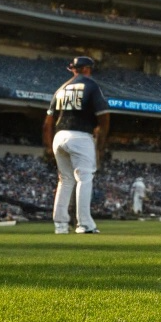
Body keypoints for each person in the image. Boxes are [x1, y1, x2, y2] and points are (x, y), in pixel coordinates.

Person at [45, 54, 110, 235]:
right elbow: (104, 116)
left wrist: (49, 146)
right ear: (88, 69)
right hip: (80, 136)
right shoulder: (91, 85)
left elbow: (48, 122)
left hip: (59, 136)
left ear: (73, 69)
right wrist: (101, 144)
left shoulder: (61, 89)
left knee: (65, 180)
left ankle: (60, 225)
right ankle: (84, 224)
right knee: (84, 178)